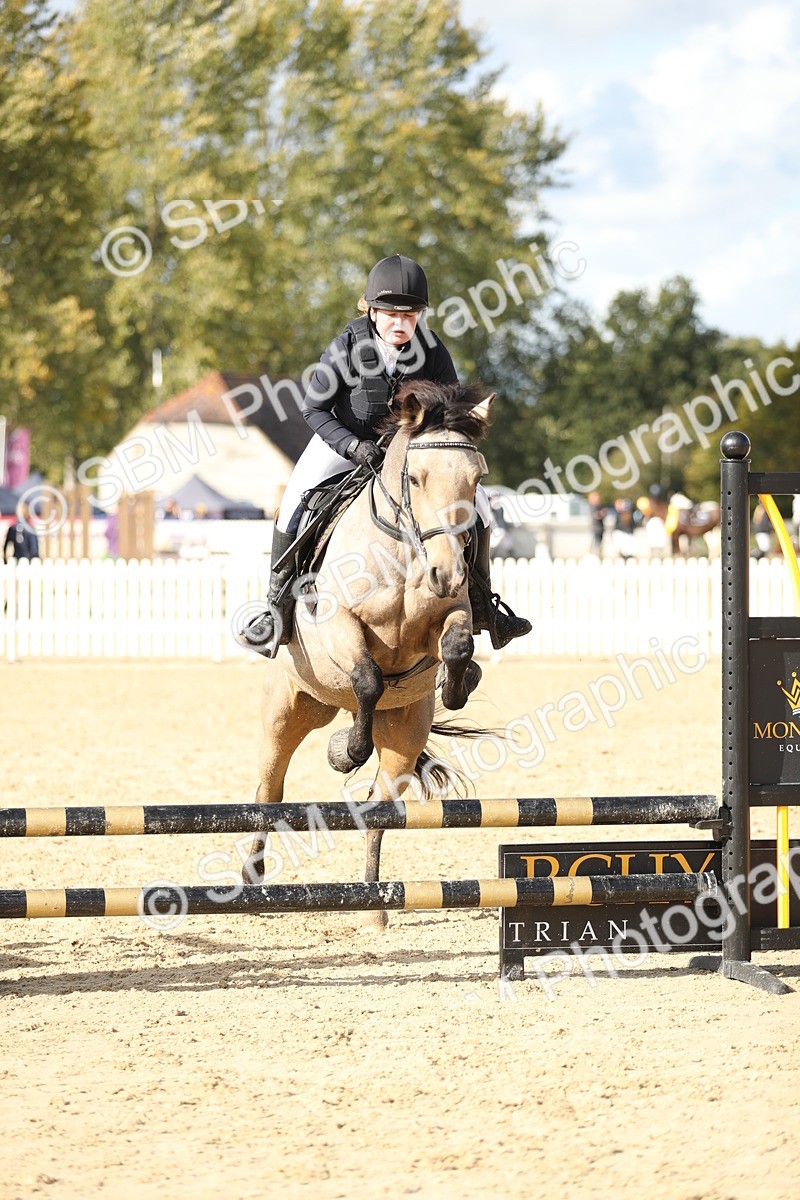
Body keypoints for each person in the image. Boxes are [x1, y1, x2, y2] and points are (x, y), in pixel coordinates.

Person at [238, 253, 531, 657]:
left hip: (410, 455)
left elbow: (449, 413)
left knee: (478, 505)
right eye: (391, 314)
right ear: (373, 312)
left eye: (409, 315)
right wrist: (351, 446)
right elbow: (314, 409)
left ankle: (484, 605)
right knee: (293, 502)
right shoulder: (345, 348)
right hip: (342, 442)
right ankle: (276, 610)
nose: (400, 323)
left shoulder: (433, 351)